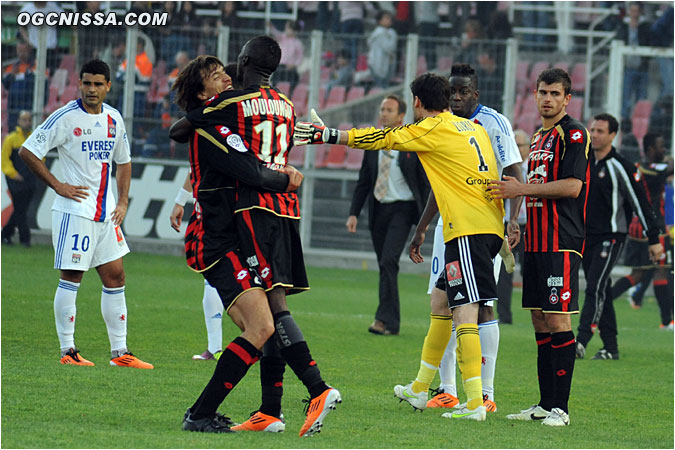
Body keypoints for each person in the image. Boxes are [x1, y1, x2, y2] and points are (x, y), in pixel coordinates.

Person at [295, 72, 506, 422]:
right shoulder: (473, 127)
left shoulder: (431, 127)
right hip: (477, 224)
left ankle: (473, 403)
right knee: (441, 303)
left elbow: (382, 137)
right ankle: (421, 389)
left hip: (469, 229)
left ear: (418, 104)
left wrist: (329, 134)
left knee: (464, 312)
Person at [175, 37, 341, 437]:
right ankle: (206, 413)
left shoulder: (223, 118)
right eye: (217, 76)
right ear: (203, 92)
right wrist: (286, 176)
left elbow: (251, 151)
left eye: (226, 71)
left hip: (237, 233)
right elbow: (251, 171)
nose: (226, 78)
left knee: (265, 322)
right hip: (215, 240)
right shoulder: (213, 125)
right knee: (264, 323)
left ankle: (266, 410)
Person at [18, 59, 153, 369]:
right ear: (79, 84)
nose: (92, 89)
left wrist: (123, 203)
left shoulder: (114, 118)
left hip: (106, 214)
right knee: (72, 277)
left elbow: (125, 161)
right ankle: (68, 350)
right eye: (87, 83)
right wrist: (57, 185)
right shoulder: (65, 117)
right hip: (74, 211)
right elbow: (28, 151)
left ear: (108, 86)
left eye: (98, 84)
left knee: (116, 275)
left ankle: (120, 353)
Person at [415, 64, 523, 413]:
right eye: (452, 91)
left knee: (478, 305)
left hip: (480, 228)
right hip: (449, 229)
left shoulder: (494, 123)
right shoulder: (443, 124)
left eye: (463, 91)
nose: (457, 96)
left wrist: (512, 220)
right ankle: (446, 389)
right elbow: (441, 181)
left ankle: (485, 394)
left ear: (476, 93)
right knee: (442, 303)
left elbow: (513, 173)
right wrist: (422, 226)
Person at [489, 68, 591, 427]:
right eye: (542, 92)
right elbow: (534, 186)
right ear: (534, 94)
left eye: (555, 93)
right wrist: (516, 223)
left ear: (567, 98)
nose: (547, 99)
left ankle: (561, 410)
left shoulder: (574, 133)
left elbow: (572, 187)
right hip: (536, 240)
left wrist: (520, 191)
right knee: (539, 318)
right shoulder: (537, 137)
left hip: (562, 241)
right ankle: (545, 404)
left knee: (558, 318)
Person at [575, 113, 663, 361]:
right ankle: (611, 347)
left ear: (614, 135)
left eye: (601, 131)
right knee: (601, 287)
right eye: (592, 130)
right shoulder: (583, 162)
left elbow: (640, 203)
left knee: (594, 287)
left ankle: (580, 340)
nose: (594, 135)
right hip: (586, 237)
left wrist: (654, 239)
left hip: (611, 236)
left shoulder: (621, 166)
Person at [346, 95, 430, 336]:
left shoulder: (410, 143)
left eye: (389, 110)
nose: (383, 113)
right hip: (378, 209)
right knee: (386, 266)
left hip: (402, 210)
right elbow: (364, 180)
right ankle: (391, 322)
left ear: (401, 116)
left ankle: (383, 319)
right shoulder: (373, 143)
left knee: (388, 261)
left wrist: (424, 220)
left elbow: (423, 183)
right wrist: (354, 212)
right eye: (382, 109)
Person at [609, 132, 674, 329]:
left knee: (638, 274)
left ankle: (606, 298)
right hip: (655, 227)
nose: (664, 150)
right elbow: (669, 165)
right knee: (661, 271)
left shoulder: (637, 168)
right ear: (651, 149)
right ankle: (667, 321)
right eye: (661, 146)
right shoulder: (655, 170)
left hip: (637, 227)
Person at [496, 128, 532, 325]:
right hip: (507, 225)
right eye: (515, 145)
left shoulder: (535, 169)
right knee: (502, 273)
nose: (517, 149)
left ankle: (540, 313)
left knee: (532, 272)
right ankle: (504, 316)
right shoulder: (503, 169)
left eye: (521, 145)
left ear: (528, 147)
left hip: (529, 227)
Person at [1, 110, 37, 246]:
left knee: (20, 209)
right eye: (24, 119)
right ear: (18, 121)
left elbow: (41, 156)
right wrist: (14, 174)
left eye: (28, 119)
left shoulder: (33, 137)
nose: (27, 122)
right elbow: (5, 161)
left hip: (29, 178)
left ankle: (5, 234)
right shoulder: (11, 139)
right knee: (21, 209)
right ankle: (25, 238)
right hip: (15, 180)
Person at [616, 2, 653, 119]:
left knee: (641, 98)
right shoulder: (623, 25)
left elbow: (648, 42)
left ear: (640, 11)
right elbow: (619, 39)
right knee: (625, 98)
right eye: (632, 11)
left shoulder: (645, 26)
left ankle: (639, 122)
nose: (634, 14)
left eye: (636, 11)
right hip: (628, 67)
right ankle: (624, 123)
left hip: (641, 67)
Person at [2, 40, 37, 130]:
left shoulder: (35, 66)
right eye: (19, 51)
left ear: (29, 51)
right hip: (13, 108)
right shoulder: (12, 67)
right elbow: (6, 85)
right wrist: (12, 75)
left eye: (24, 51)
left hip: (28, 106)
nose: (21, 53)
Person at [367, 11, 397, 89]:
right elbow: (389, 48)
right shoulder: (380, 33)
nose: (389, 20)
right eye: (386, 18)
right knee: (380, 88)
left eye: (389, 18)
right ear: (380, 20)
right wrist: (393, 36)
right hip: (378, 63)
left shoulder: (387, 32)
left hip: (384, 63)